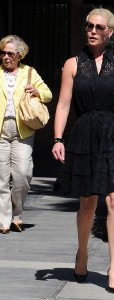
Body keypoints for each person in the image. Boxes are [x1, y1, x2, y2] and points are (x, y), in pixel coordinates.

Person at [52, 8, 114, 294]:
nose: (92, 30)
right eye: (89, 25)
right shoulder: (72, 64)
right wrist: (57, 139)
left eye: (99, 27)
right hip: (85, 134)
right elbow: (64, 104)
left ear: (110, 32)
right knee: (88, 202)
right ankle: (82, 253)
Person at [0, 35, 52, 234]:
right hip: (1, 131)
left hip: (23, 131)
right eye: (3, 52)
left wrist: (36, 92)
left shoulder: (29, 73)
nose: (6, 57)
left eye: (10, 53)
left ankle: (17, 213)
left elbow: (48, 94)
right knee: (1, 178)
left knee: (22, 174)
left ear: (19, 55)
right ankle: (4, 220)